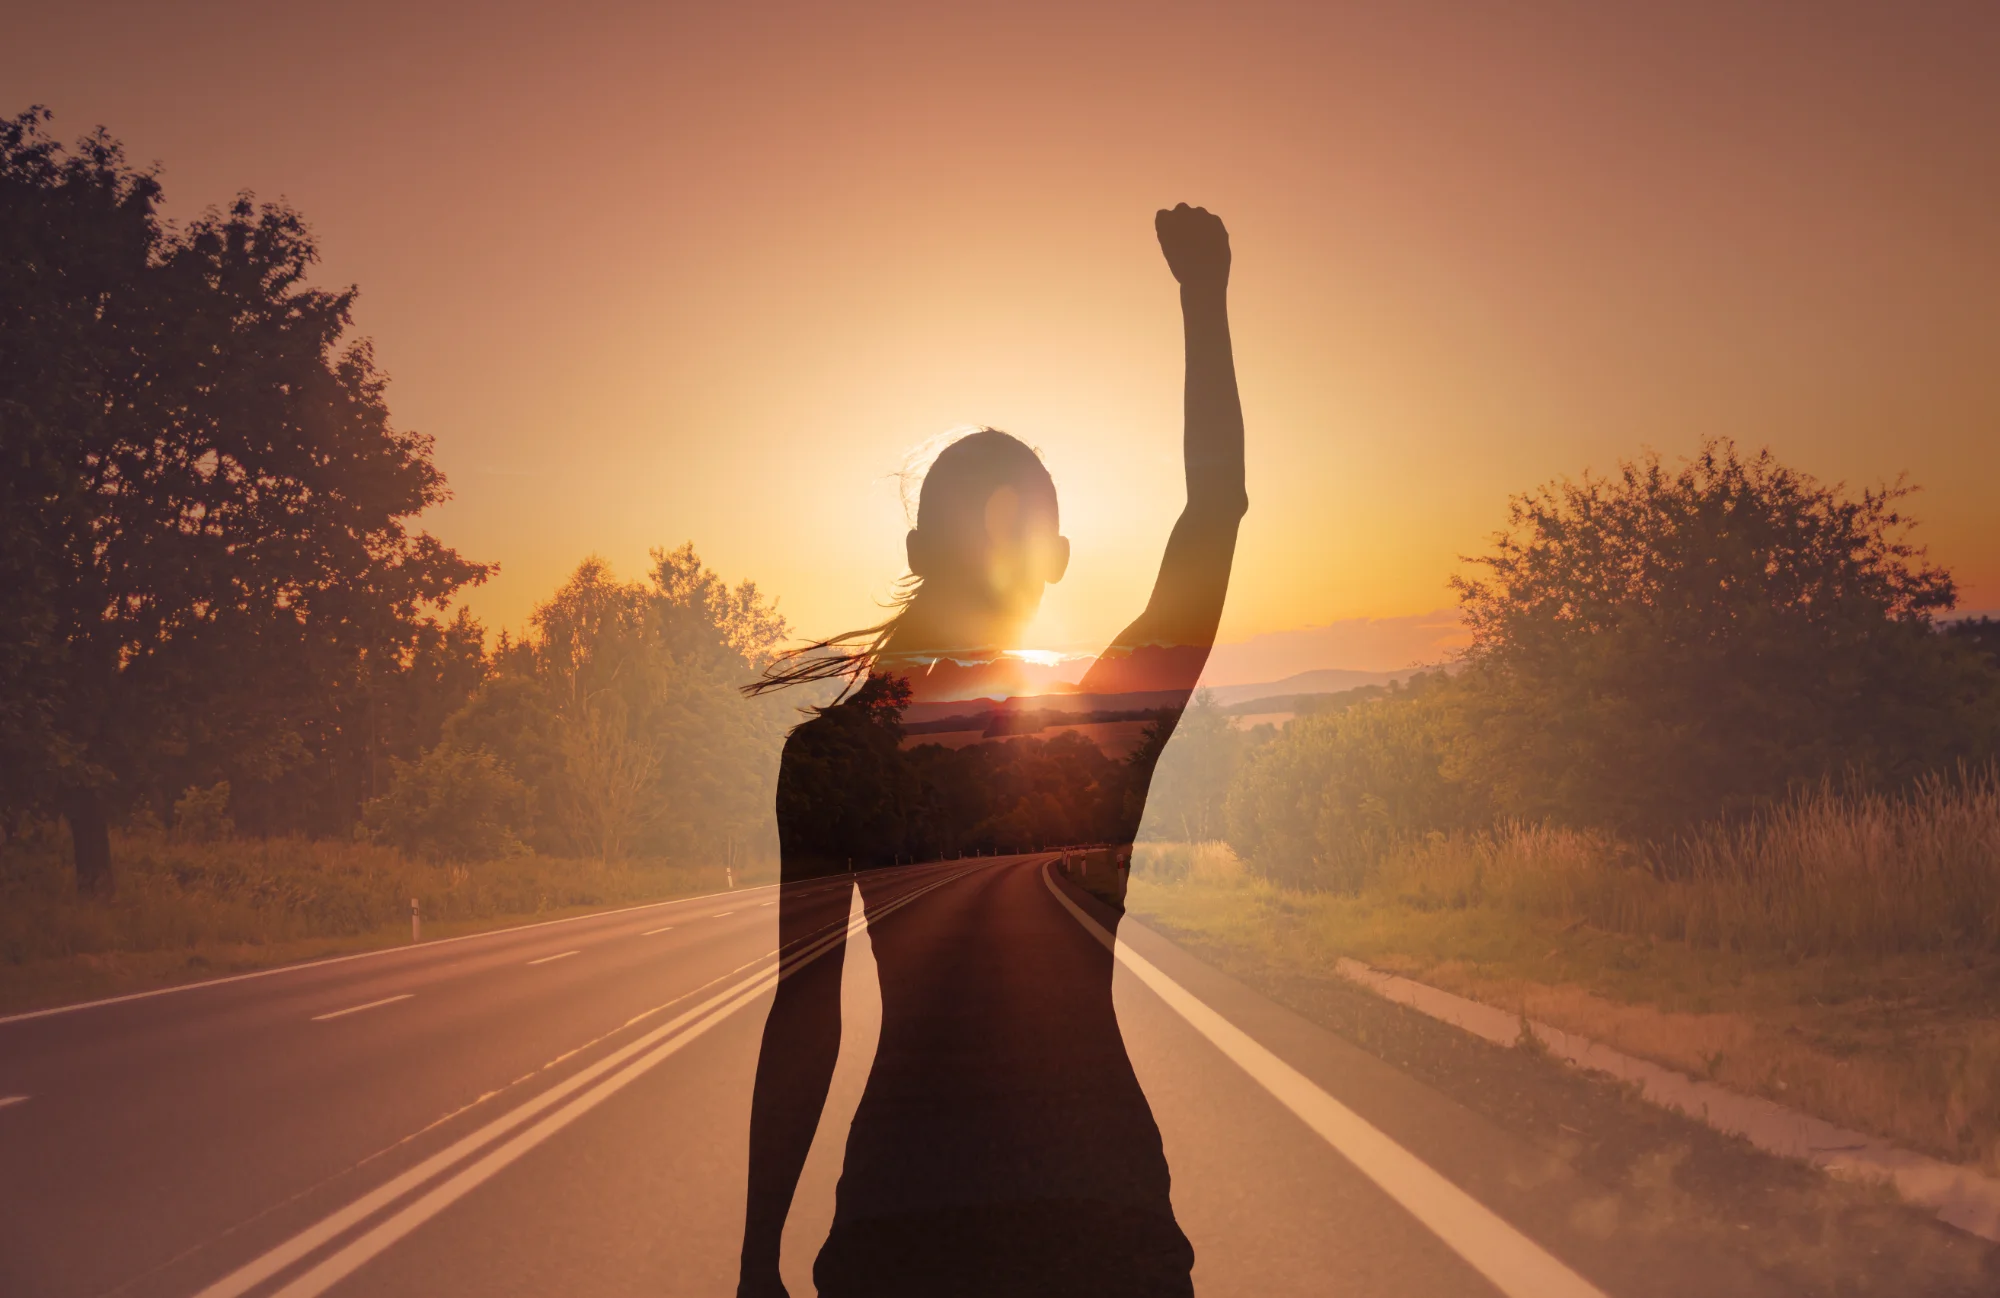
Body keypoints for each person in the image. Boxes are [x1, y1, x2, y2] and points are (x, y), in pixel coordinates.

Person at [737, 204, 1244, 1298]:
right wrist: (1202, 296)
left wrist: (752, 1258)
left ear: (915, 549)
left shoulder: (830, 755)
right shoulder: (1105, 729)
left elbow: (804, 1012)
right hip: (1097, 1211)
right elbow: (1215, 509)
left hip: (900, 1221)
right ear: (1055, 560)